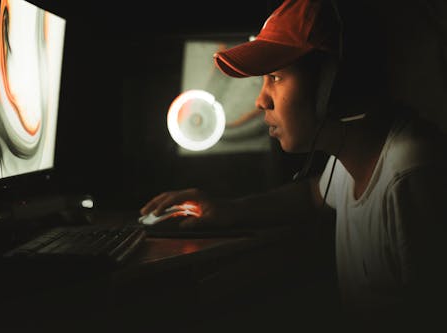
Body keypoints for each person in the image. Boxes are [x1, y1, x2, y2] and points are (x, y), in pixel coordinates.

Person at [140, 0, 447, 326]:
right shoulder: (353, 160)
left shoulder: (412, 175)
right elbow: (313, 195)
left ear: (335, 83)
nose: (261, 101)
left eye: (275, 77)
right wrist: (228, 210)